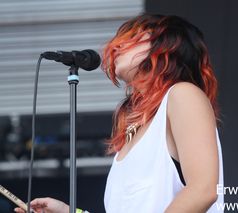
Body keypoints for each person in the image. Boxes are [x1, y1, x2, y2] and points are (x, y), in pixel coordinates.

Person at [14, 13, 224, 213]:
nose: (119, 45)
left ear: (166, 46)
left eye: (134, 38)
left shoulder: (183, 95)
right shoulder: (133, 130)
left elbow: (203, 190)